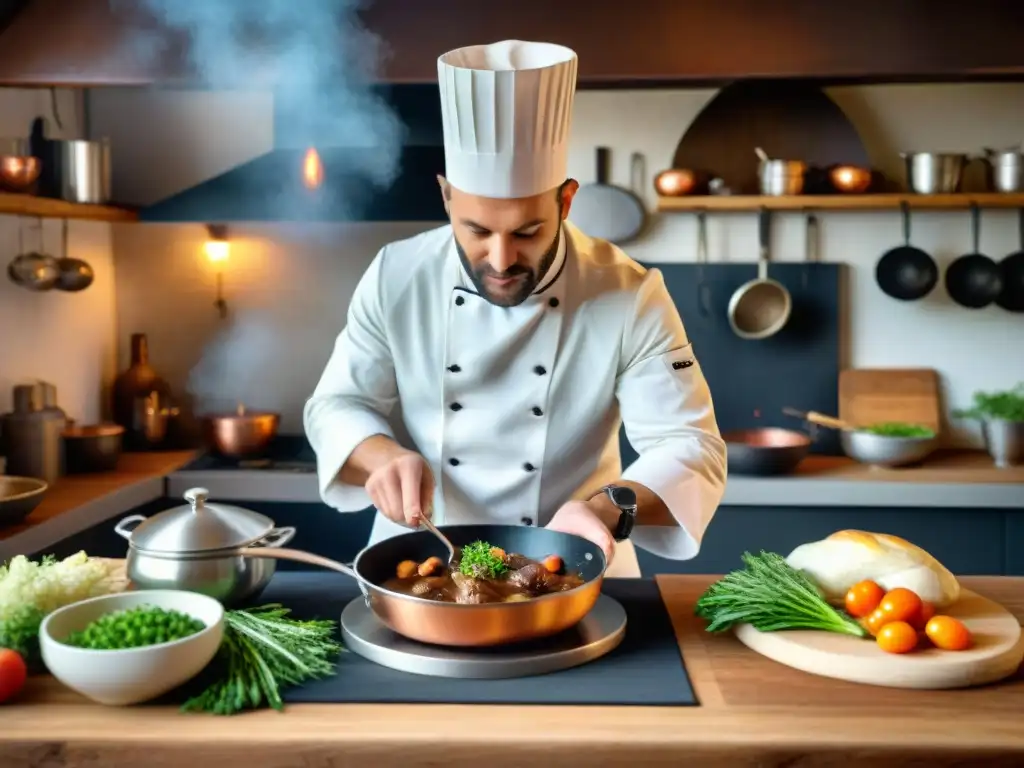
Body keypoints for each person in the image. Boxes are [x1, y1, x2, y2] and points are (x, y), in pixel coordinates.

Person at [304, 39, 727, 578]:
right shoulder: (397, 274)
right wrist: (381, 454)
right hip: (422, 560)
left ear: (566, 201)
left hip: (574, 561)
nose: (501, 260)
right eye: (477, 230)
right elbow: (335, 404)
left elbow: (690, 445)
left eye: (528, 232)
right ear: (446, 197)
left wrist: (605, 508)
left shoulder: (628, 291)